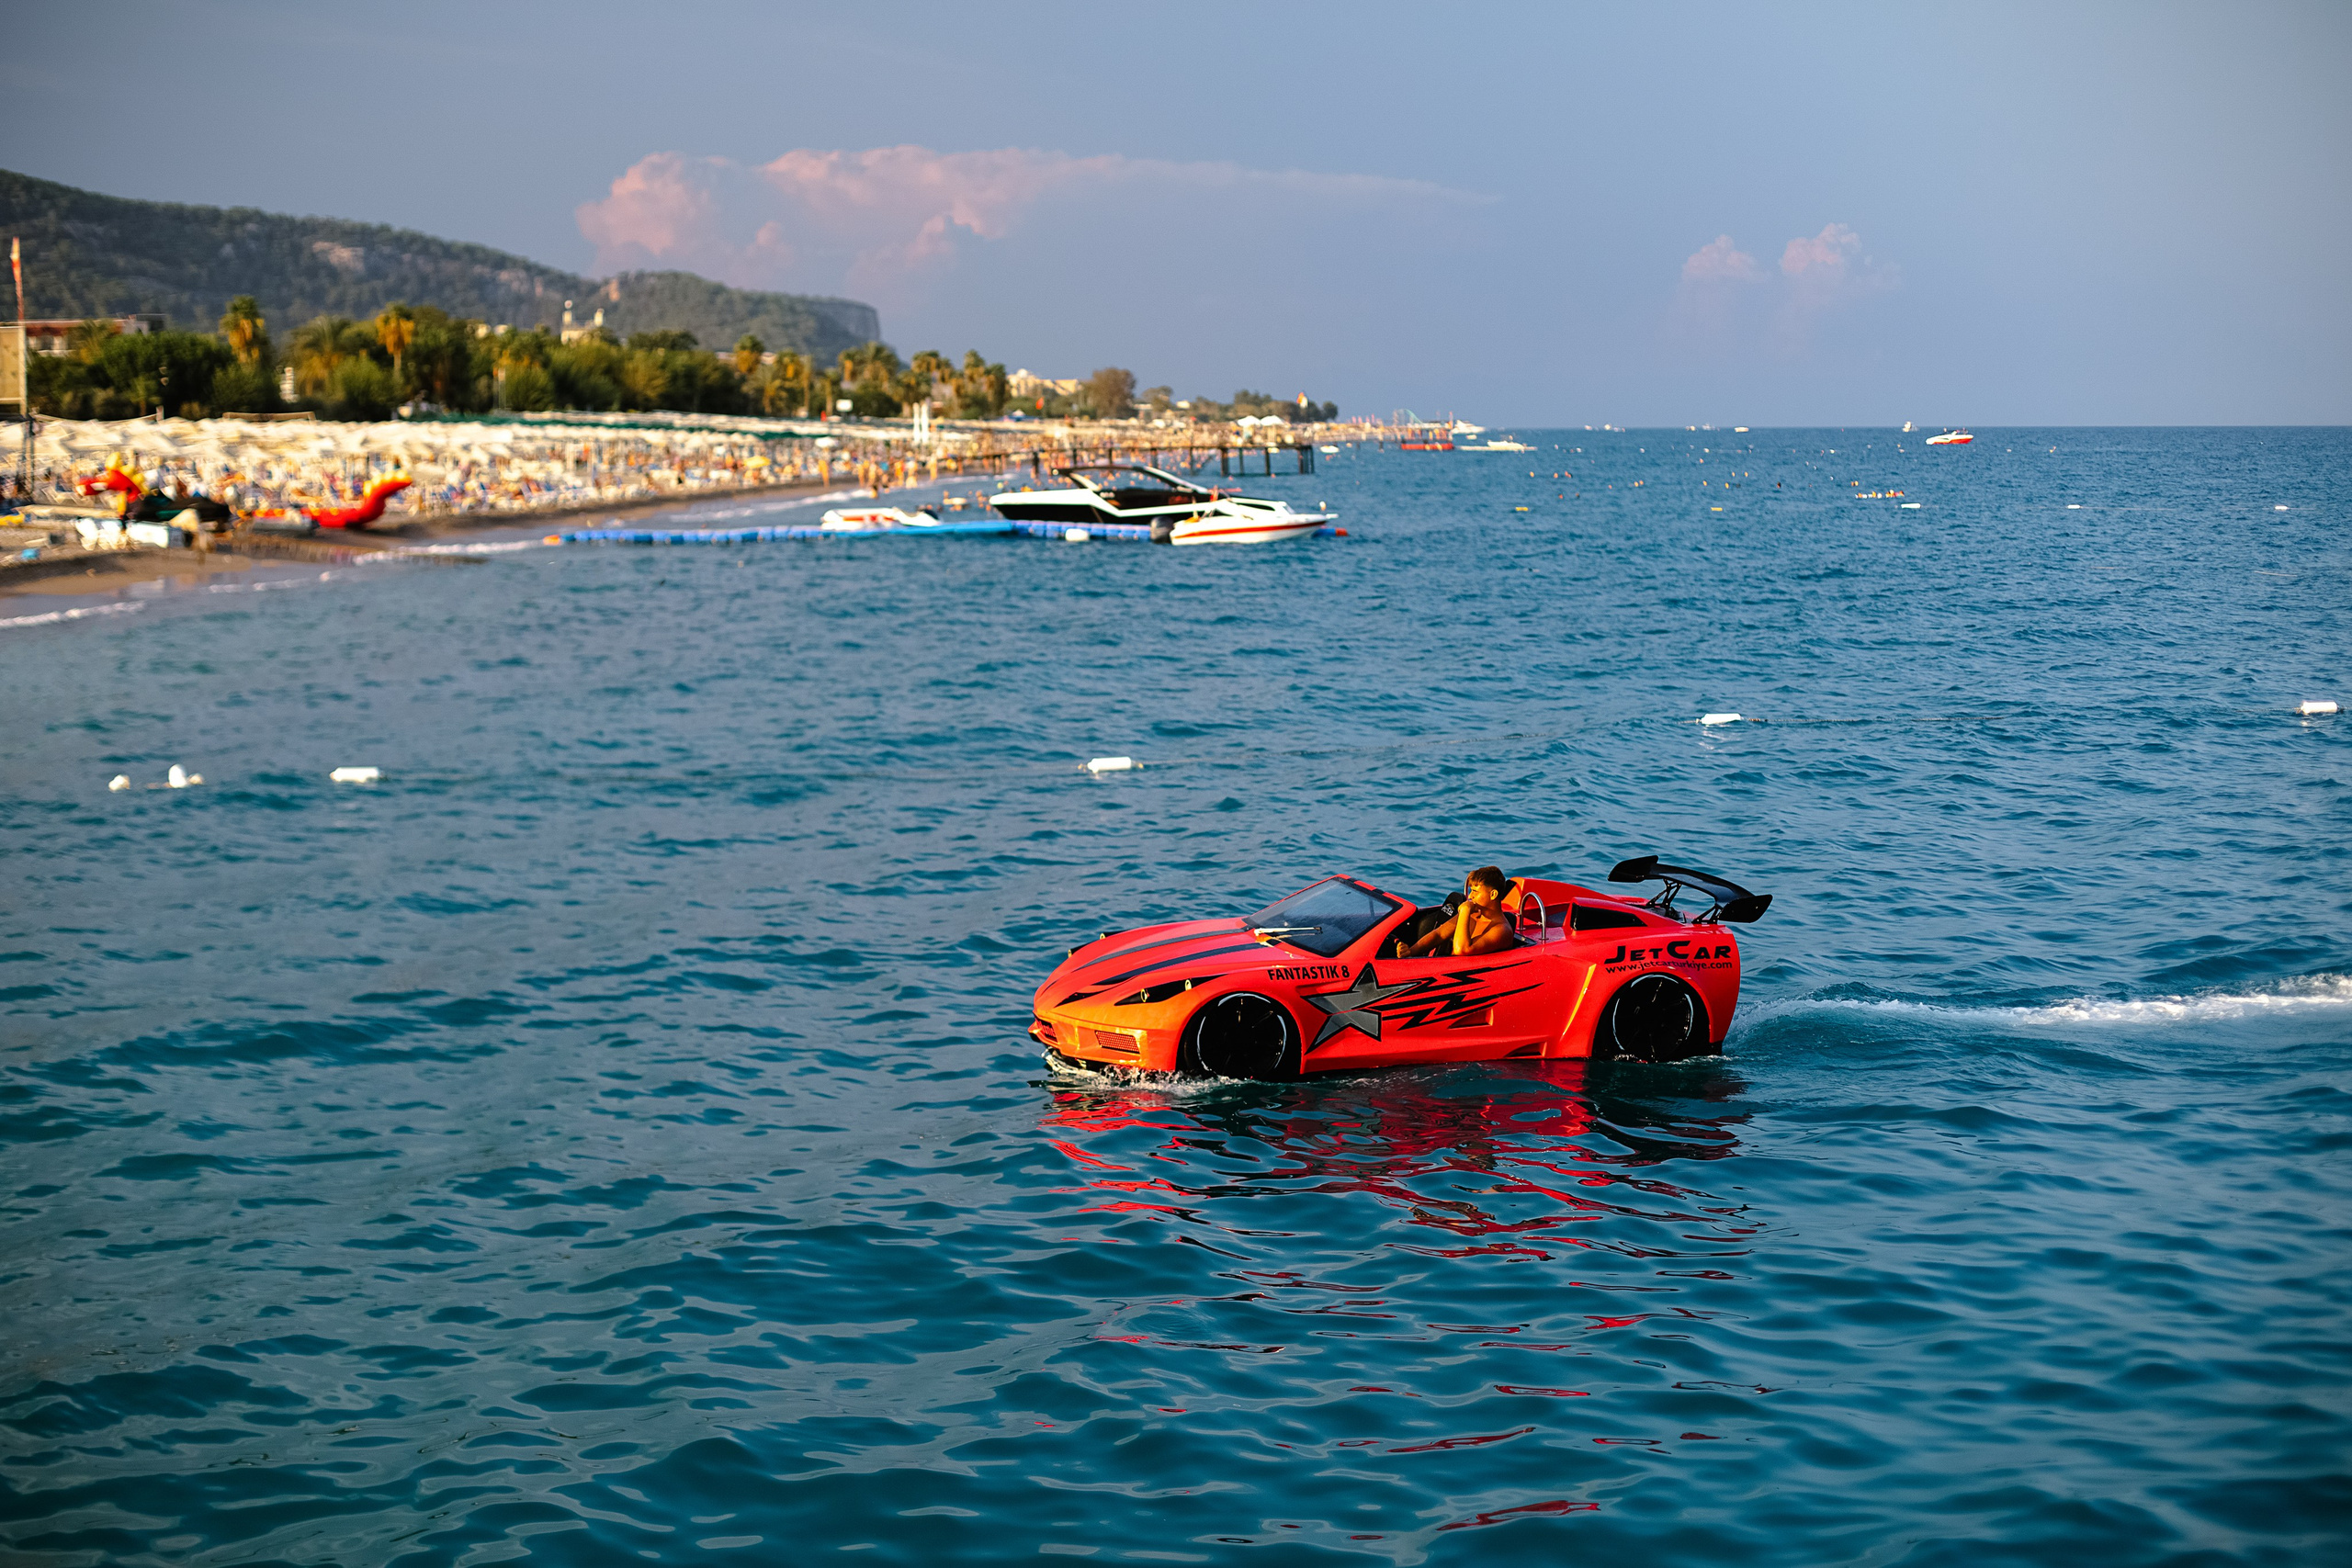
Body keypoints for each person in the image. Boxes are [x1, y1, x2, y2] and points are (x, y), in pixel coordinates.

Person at [1393, 865, 1519, 959]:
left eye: (1476, 891)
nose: (1471, 896)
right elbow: (1439, 934)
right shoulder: (1474, 915)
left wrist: (1464, 911)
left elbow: (1462, 950)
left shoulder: (1501, 929)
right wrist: (1411, 952)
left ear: (1493, 894)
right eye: (1471, 891)